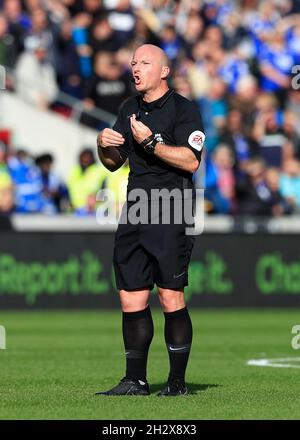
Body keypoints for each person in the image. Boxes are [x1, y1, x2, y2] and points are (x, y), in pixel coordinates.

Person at [95, 44, 205, 396]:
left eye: (144, 62)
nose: (135, 68)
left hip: (171, 208)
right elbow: (114, 162)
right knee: (131, 297)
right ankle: (135, 380)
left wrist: (153, 143)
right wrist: (103, 145)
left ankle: (176, 383)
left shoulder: (183, 109)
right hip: (136, 207)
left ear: (164, 71)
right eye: (132, 63)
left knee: (170, 296)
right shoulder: (129, 107)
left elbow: (191, 161)